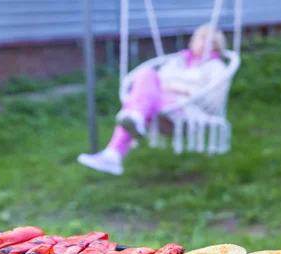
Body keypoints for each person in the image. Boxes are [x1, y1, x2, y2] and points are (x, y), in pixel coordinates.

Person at [77, 24, 227, 175]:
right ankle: (115, 151)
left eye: (209, 41)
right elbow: (156, 81)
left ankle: (115, 150)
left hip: (185, 108)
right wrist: (164, 88)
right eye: (200, 38)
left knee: (137, 104)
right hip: (159, 101)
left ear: (216, 46)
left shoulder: (215, 67)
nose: (203, 43)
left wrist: (178, 90)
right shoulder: (178, 61)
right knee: (146, 73)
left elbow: (211, 98)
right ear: (192, 41)